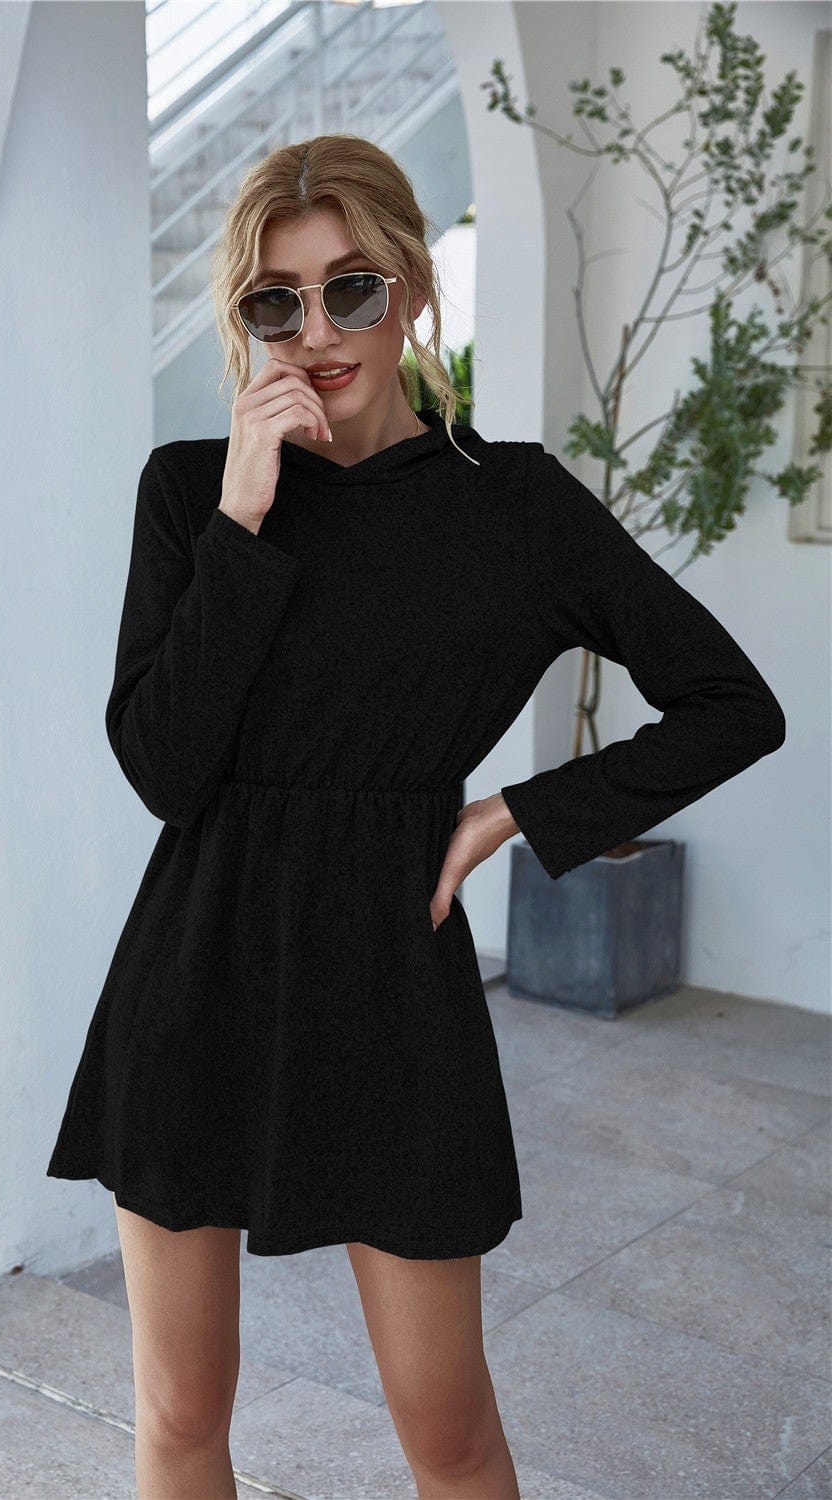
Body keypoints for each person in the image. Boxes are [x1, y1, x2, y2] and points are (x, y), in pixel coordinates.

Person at [46, 134, 786, 1500]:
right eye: (277, 301)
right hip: (198, 968)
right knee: (180, 1414)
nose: (317, 331)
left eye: (352, 289)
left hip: (391, 975)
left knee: (447, 1432)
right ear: (245, 318)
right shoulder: (193, 489)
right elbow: (162, 770)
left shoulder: (515, 508)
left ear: (414, 291)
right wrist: (244, 520)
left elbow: (731, 704)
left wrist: (514, 811)